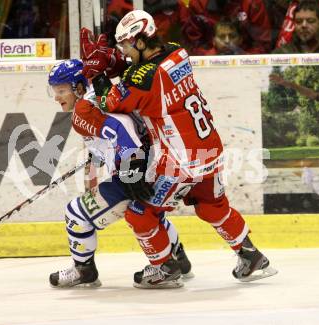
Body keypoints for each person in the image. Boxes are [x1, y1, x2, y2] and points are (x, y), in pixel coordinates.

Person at [80, 10, 278, 282]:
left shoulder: (143, 78)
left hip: (178, 161)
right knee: (212, 205)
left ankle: (164, 268)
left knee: (140, 213)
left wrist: (98, 74)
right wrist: (115, 62)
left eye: (126, 44)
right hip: (209, 150)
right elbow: (141, 74)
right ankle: (252, 256)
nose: (124, 51)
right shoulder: (177, 52)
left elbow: (108, 101)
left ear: (140, 41)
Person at [47, 58, 193, 289]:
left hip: (134, 172)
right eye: (54, 91)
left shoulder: (83, 110)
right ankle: (179, 260)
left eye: (62, 90)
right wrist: (101, 155)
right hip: (157, 166)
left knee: (76, 214)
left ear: (79, 87)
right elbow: (119, 128)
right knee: (150, 215)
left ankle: (84, 270)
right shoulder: (105, 94)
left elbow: (121, 129)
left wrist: (130, 170)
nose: (57, 97)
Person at [183, 0, 272, 54]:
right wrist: (213, 58)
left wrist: (244, 58)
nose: (227, 41)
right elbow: (193, 43)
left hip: (246, 59)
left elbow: (262, 43)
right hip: (210, 61)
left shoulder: (252, 3)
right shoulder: (197, 4)